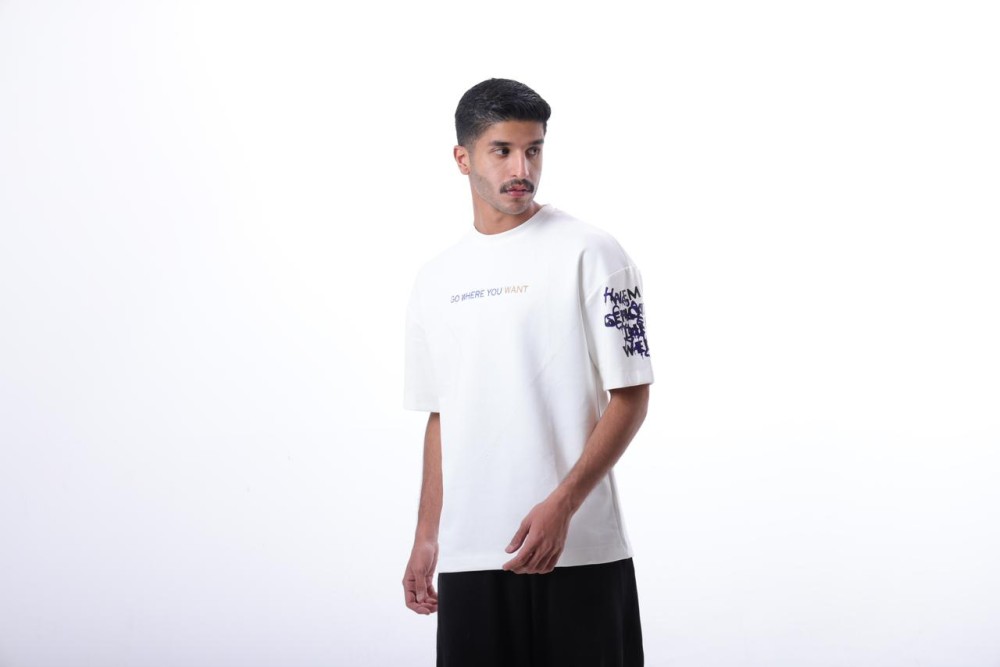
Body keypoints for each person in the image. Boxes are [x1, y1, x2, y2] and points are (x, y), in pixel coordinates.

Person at [402, 78, 653, 666]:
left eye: (533, 149)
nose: (523, 169)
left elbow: (632, 395)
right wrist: (427, 536)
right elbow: (442, 416)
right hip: (471, 556)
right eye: (503, 151)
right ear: (462, 158)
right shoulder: (435, 279)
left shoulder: (593, 252)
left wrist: (562, 505)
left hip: (580, 552)